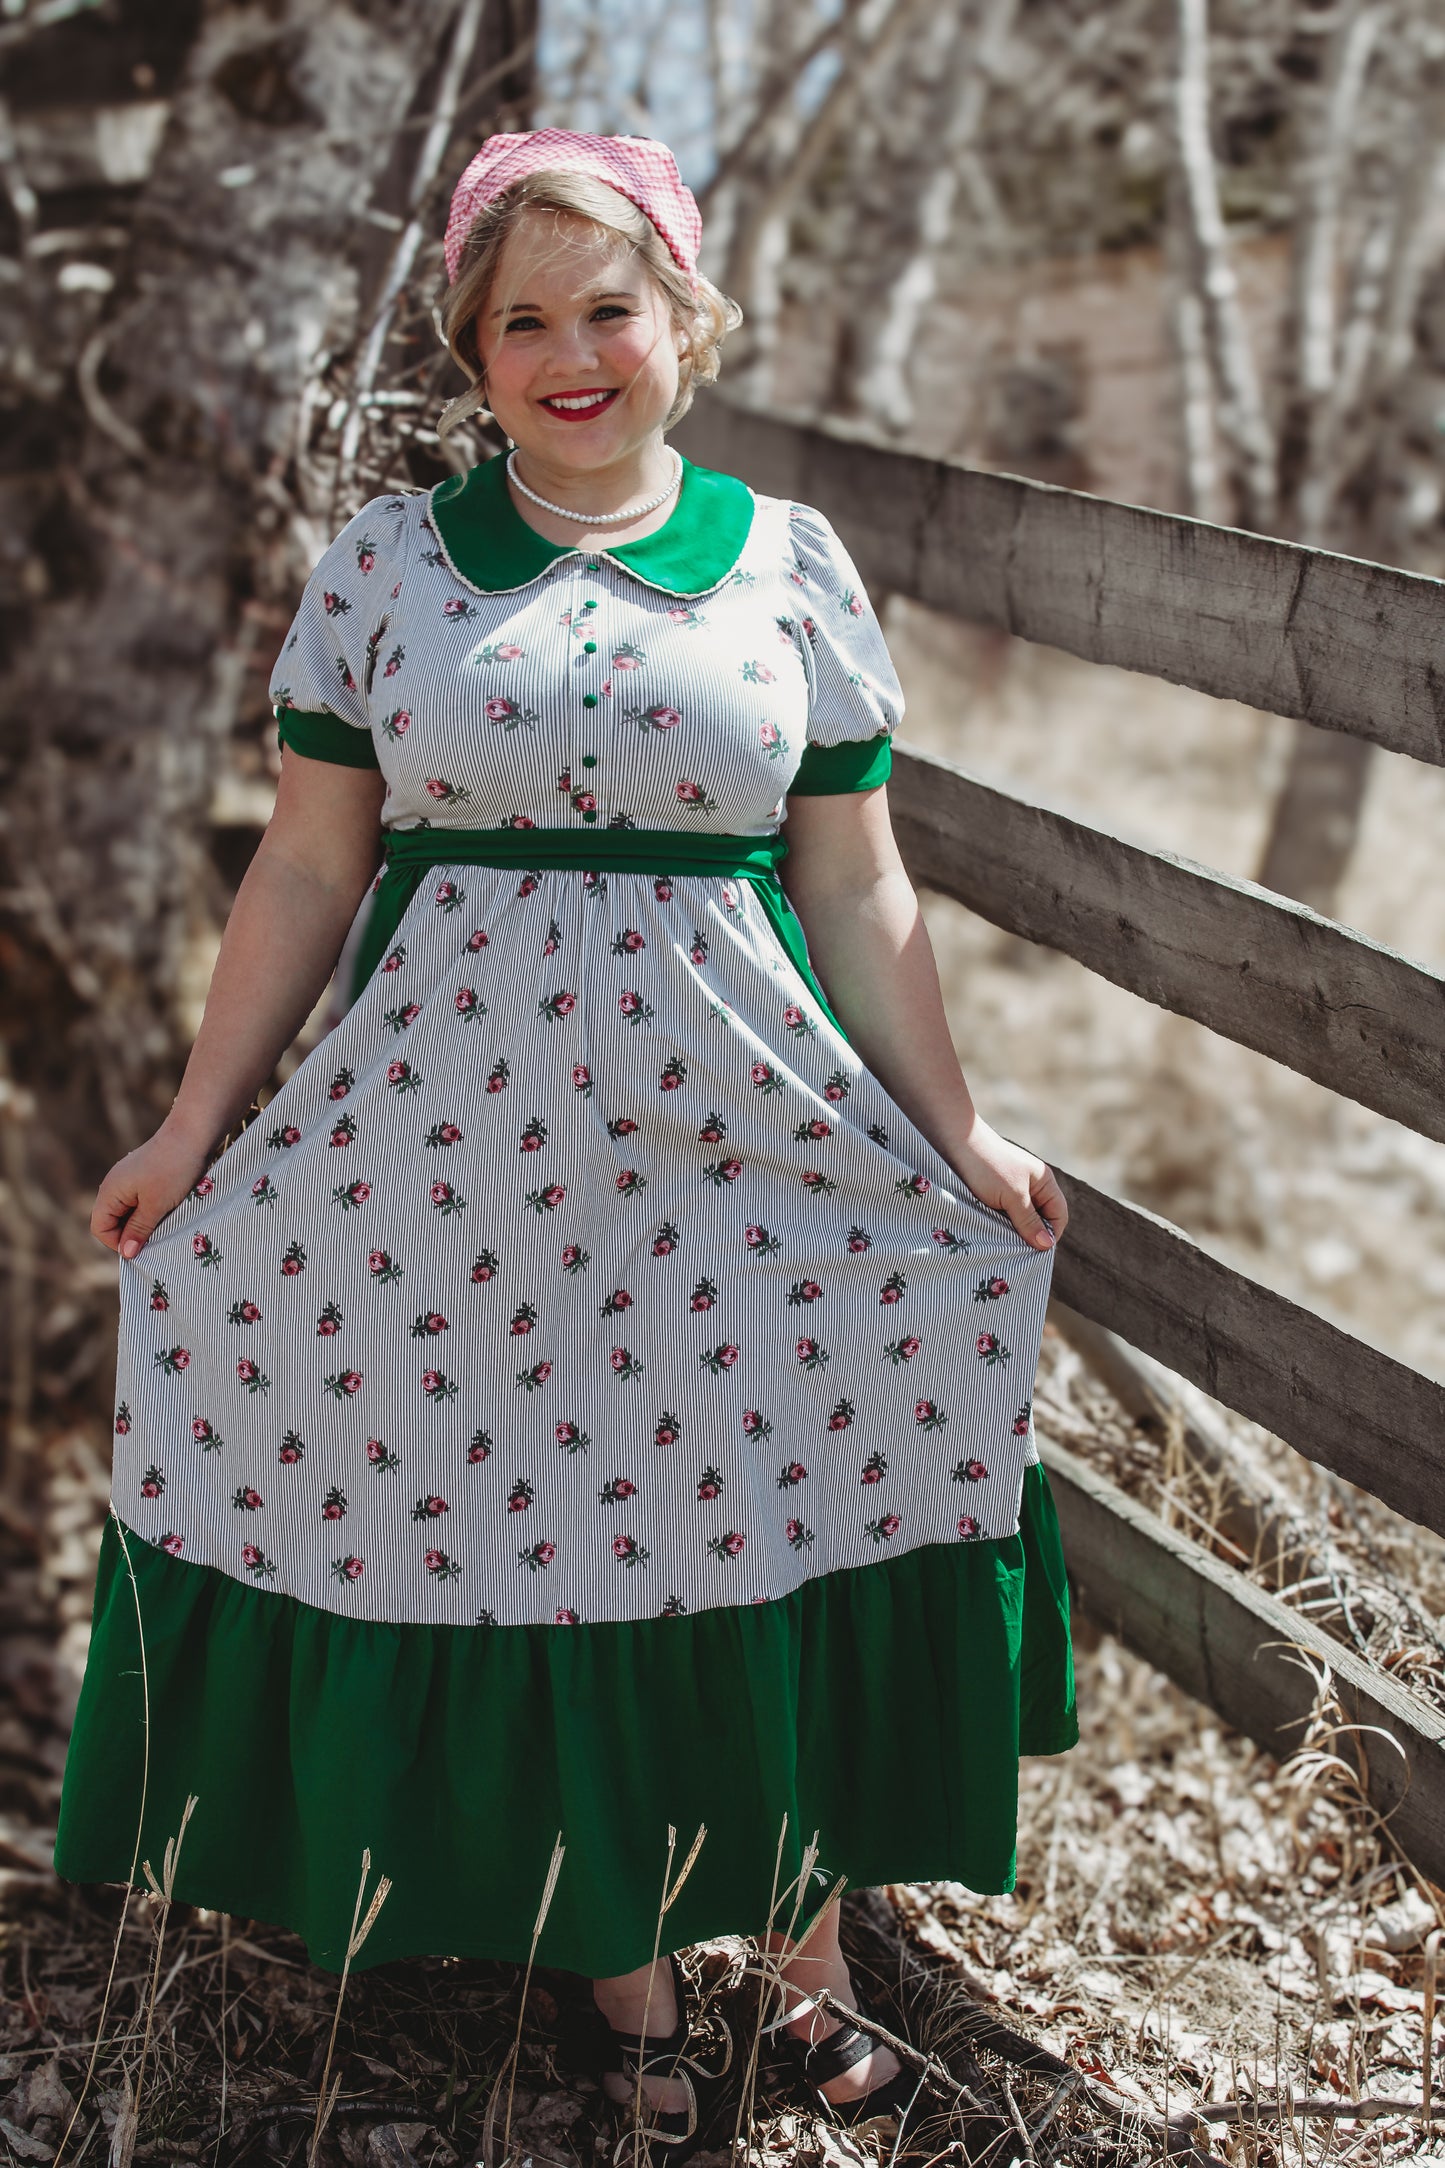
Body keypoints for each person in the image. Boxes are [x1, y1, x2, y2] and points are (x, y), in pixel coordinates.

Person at [57, 128, 1077, 2154]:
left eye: (607, 306)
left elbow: (861, 885)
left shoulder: (789, 562)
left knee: (751, 1496)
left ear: (683, 322)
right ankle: (615, 1958)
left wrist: (955, 1128)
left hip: (740, 1126)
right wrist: (196, 1125)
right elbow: (308, 868)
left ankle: (803, 1958)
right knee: (537, 1514)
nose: (567, 351)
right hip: (448, 1146)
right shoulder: (391, 566)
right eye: (519, 318)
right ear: (475, 347)